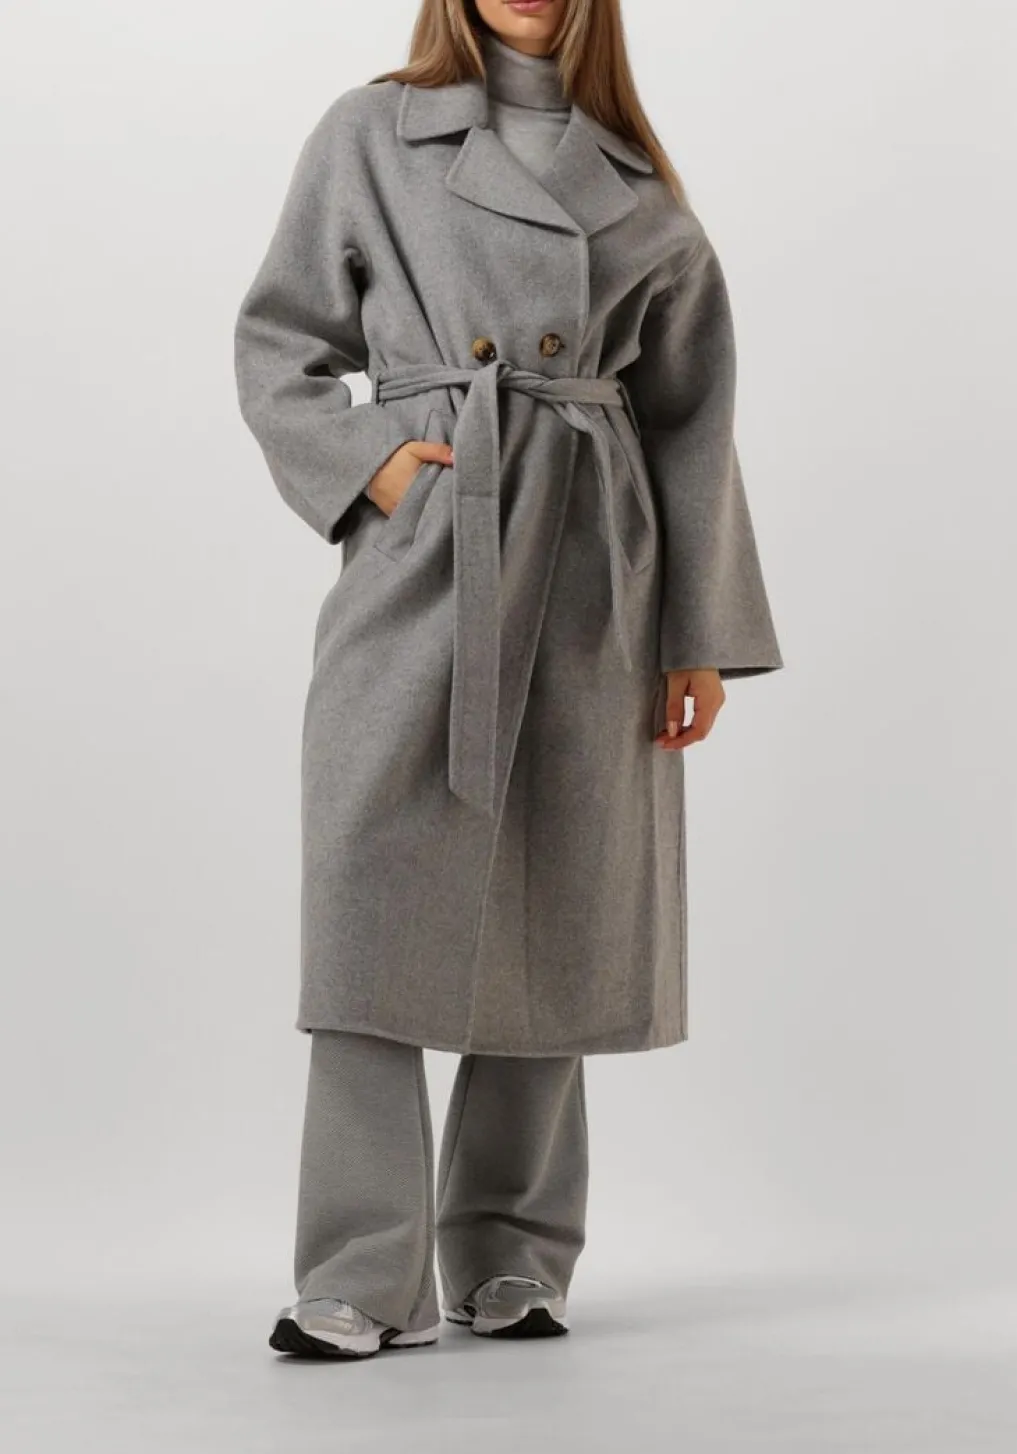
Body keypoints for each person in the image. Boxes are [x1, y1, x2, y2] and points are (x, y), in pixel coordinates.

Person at [233, 0, 783, 1360]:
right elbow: (279, 341)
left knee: (555, 906)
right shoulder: (373, 132)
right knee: (369, 903)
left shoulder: (636, 179)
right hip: (430, 555)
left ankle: (513, 1254)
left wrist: (697, 635)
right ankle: (360, 1270)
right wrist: (374, 465)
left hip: (595, 573)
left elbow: (692, 420)